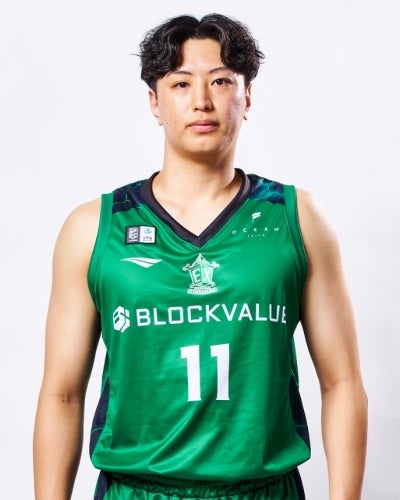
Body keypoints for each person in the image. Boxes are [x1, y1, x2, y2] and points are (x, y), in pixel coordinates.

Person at [33, 13, 368, 500]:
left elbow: (342, 382)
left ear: (247, 96)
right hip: (137, 489)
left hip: (262, 490)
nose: (202, 101)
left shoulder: (296, 217)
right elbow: (61, 394)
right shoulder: (95, 228)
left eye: (221, 81)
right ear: (154, 101)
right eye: (180, 83)